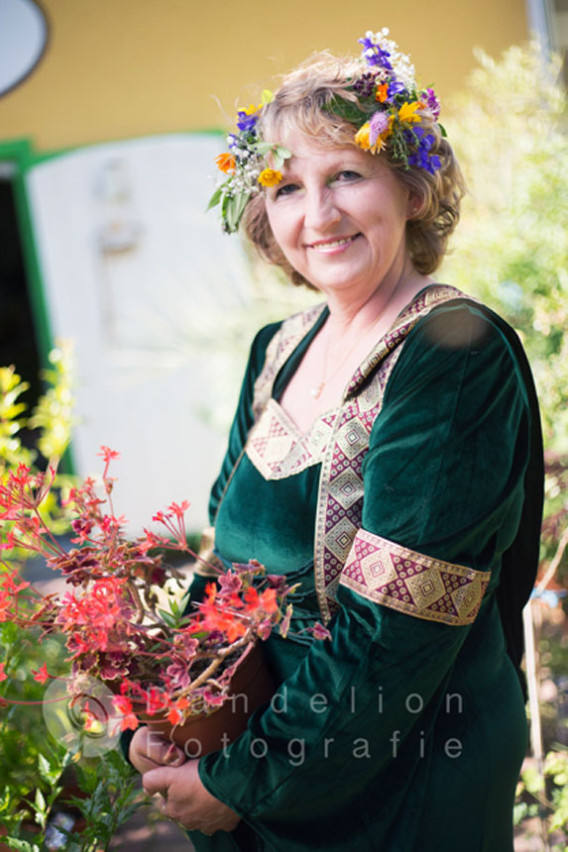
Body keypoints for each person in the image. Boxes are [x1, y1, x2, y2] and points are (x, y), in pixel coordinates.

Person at [127, 29, 544, 851]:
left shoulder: (452, 355)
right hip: (265, 759)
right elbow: (223, 573)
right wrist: (170, 715)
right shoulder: (277, 350)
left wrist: (243, 780)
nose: (316, 215)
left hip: (400, 784)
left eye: (346, 175)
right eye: (285, 188)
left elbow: (399, 634)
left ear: (413, 190)